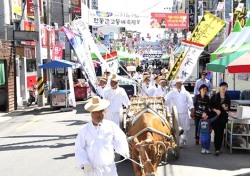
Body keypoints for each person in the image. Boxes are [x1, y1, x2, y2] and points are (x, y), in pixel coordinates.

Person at [75, 96, 130, 175]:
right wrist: (84, 162)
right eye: (95, 112)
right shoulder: (84, 130)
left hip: (109, 169)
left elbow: (120, 139)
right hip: (92, 170)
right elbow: (79, 148)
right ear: (91, 113)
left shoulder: (111, 126)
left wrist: (124, 151)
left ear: (105, 112)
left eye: (100, 111)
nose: (98, 114)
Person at [165, 77, 194, 146]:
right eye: (177, 83)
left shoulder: (186, 93)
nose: (179, 85)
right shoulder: (172, 93)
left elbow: (190, 102)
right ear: (175, 85)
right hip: (176, 114)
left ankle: (184, 139)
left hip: (184, 113)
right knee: (178, 129)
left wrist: (192, 110)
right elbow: (166, 99)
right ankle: (180, 142)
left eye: (180, 83)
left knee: (186, 128)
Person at [209, 81, 231, 156]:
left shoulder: (227, 98)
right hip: (215, 118)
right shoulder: (215, 96)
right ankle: (216, 148)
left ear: (227, 88)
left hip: (223, 118)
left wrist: (226, 108)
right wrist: (216, 110)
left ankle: (218, 148)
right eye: (222, 86)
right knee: (217, 132)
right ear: (220, 88)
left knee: (221, 133)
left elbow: (228, 108)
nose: (224, 88)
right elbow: (210, 106)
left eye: (225, 86)